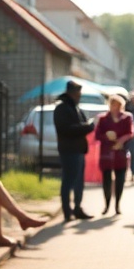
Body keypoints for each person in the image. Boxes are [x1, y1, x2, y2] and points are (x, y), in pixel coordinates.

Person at [53, 80, 95, 222]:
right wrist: (88, 127)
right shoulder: (62, 108)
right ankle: (67, 210)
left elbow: (81, 123)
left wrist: (88, 125)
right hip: (69, 150)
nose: (79, 96)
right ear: (72, 93)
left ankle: (77, 208)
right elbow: (67, 129)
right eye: (78, 93)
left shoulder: (76, 108)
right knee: (69, 181)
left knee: (78, 182)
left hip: (78, 150)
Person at [94, 95, 134, 215]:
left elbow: (131, 132)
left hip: (121, 153)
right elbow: (97, 135)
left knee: (120, 180)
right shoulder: (103, 118)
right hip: (106, 153)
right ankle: (107, 204)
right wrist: (106, 137)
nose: (115, 108)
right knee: (106, 180)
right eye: (113, 105)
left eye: (117, 105)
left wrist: (121, 140)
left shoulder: (127, 117)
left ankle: (117, 205)